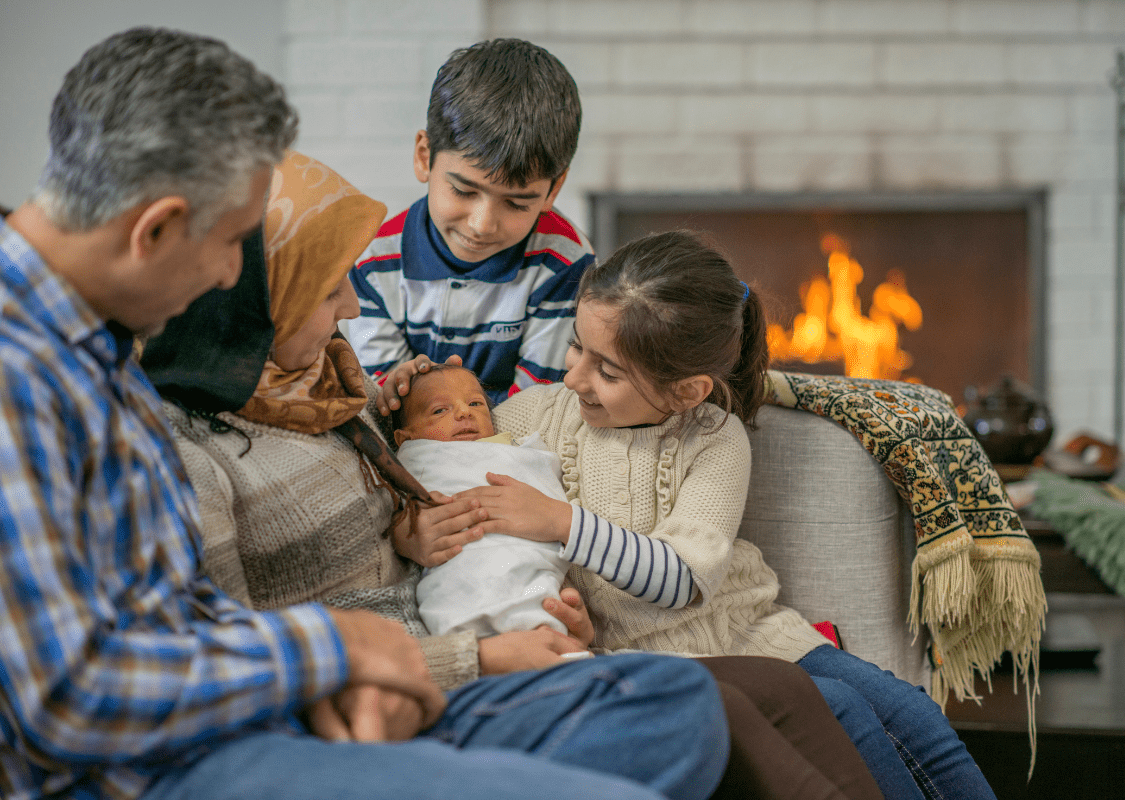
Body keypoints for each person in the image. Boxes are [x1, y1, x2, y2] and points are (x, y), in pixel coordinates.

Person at [0, 28, 721, 800]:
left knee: (671, 705)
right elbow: (65, 698)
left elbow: (183, 610)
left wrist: (355, 668)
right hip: (167, 766)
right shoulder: (24, 374)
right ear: (159, 229)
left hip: (273, 713)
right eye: (237, 244)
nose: (229, 281)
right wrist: (335, 650)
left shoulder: (100, 351)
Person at [150, 150, 883, 800]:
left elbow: (434, 494)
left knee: (792, 687)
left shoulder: (335, 390)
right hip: (413, 683)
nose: (350, 305)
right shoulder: (190, 456)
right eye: (325, 289)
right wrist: (484, 655)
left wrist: (523, 591)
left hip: (479, 624)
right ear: (247, 308)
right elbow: (239, 665)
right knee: (694, 704)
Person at [449, 230, 999, 800]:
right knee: (842, 711)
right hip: (643, 655)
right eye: (576, 347)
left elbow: (683, 579)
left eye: (607, 372)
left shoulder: (714, 438)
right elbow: (451, 443)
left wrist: (560, 522)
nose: (574, 377)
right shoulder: (542, 413)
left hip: (749, 631)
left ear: (688, 391)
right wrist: (406, 400)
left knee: (911, 712)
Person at [343, 38, 593, 404]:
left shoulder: (567, 265)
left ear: (554, 188)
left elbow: (539, 404)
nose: (482, 225)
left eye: (516, 203)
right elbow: (386, 397)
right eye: (463, 191)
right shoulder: (372, 260)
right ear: (424, 157)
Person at [393, 364, 573, 637]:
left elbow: (545, 483)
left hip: (529, 572)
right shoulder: (415, 462)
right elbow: (389, 508)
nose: (464, 412)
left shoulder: (517, 452)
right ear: (406, 438)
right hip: (458, 576)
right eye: (440, 410)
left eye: (475, 403)